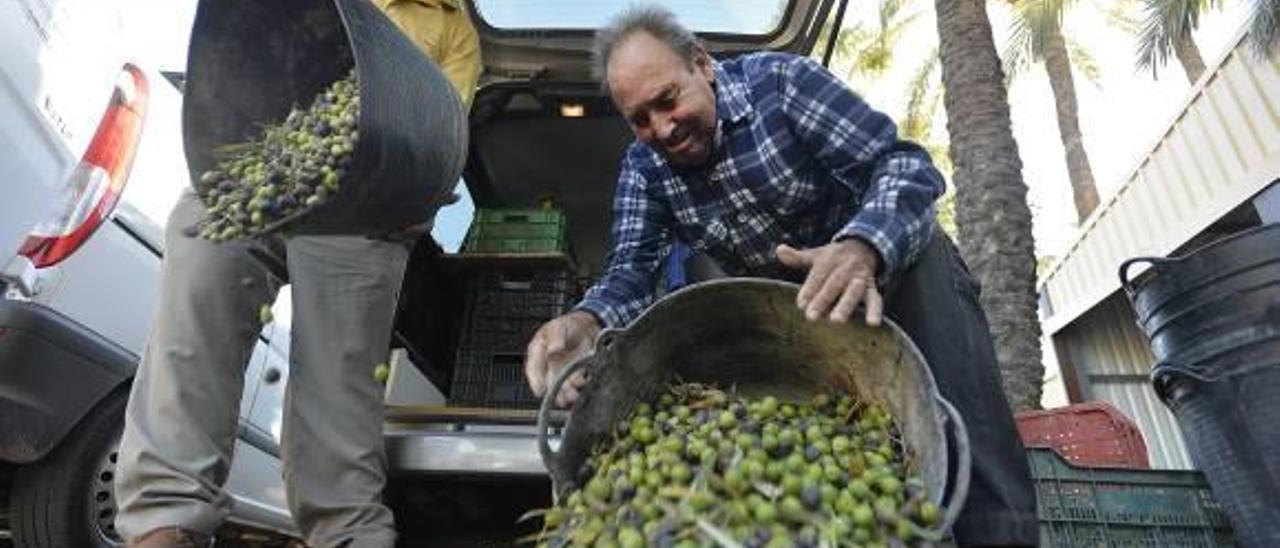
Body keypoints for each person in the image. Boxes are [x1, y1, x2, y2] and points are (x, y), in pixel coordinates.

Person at [522, 5, 1037, 546]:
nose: (662, 128)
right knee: (881, 470)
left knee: (972, 444)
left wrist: (860, 246)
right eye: (640, 118)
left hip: (899, 269)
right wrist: (587, 318)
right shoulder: (644, 168)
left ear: (702, 66)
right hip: (806, 314)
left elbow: (904, 165)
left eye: (668, 100)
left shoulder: (781, 85)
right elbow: (631, 269)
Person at [113, 2, 480, 547]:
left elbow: (441, 133)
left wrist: (408, 203)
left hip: (366, 202)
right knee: (199, 273)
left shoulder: (454, 30)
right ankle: (166, 518)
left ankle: (346, 531)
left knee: (340, 373)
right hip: (270, 161)